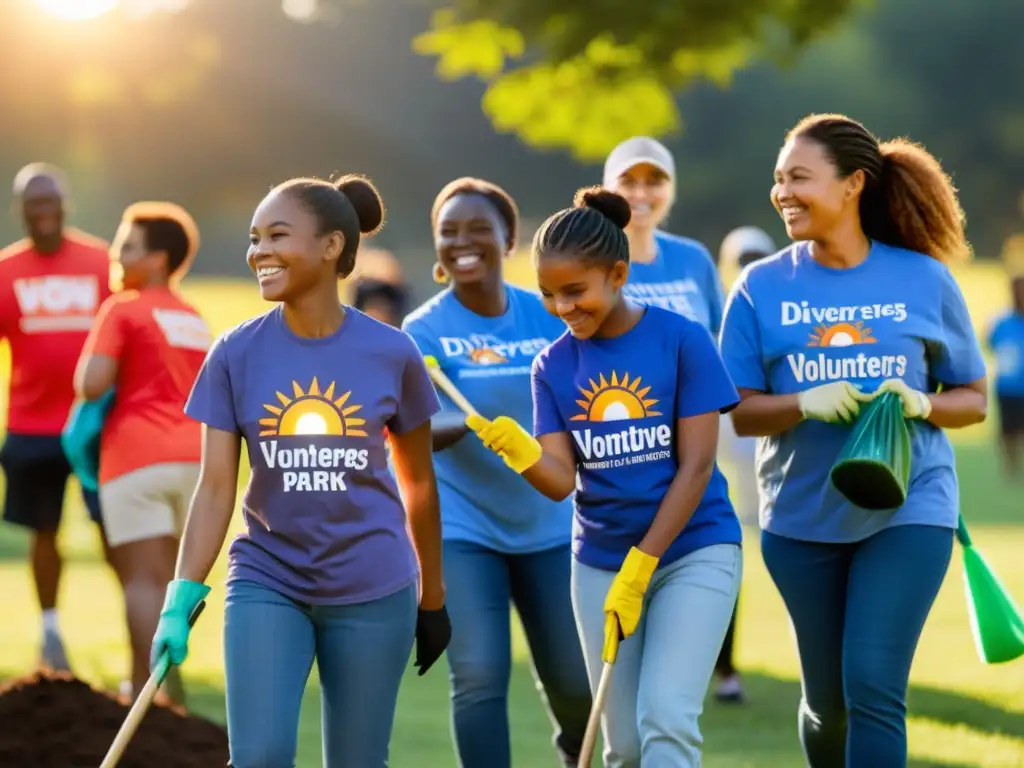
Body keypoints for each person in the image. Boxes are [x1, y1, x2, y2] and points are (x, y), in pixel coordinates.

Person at [149, 174, 451, 767]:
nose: (258, 251)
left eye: (276, 235)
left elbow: (418, 483)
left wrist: (433, 600)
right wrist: (180, 595)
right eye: (255, 237)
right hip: (269, 579)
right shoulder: (234, 352)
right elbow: (216, 488)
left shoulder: (394, 354)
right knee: (258, 757)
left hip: (374, 588)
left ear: (332, 246)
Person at [718, 113, 987, 767]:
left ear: (852, 185)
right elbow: (739, 412)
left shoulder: (924, 280)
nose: (783, 193)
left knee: (871, 687)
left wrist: (923, 402)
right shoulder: (760, 288)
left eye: (800, 179)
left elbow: (973, 397)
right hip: (801, 518)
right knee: (828, 704)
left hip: (908, 509)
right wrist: (802, 403)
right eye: (778, 180)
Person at [468, 186, 743, 767]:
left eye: (575, 291)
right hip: (599, 563)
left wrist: (643, 563)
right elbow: (561, 481)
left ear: (617, 274)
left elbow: (696, 467)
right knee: (624, 746)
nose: (563, 308)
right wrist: (519, 452)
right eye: (547, 295)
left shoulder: (681, 339)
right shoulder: (552, 366)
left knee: (666, 716)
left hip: (695, 550)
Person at [401, 177, 591, 768]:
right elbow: (402, 431)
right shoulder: (420, 332)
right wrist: (453, 424)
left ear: (509, 240)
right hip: (465, 529)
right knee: (479, 675)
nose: (463, 241)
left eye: (479, 228)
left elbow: (585, 401)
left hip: (551, 524)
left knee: (577, 686)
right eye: (448, 231)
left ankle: (579, 758)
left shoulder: (547, 316)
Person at [604, 136, 746, 704]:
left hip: (693, 447)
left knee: (709, 552)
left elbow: (715, 348)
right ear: (609, 187)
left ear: (670, 189)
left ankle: (721, 669)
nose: (641, 193)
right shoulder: (594, 254)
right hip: (620, 448)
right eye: (629, 182)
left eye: (654, 181)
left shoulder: (691, 258)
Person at [74, 202, 211, 706]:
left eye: (127, 246)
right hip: (195, 465)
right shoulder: (194, 317)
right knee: (173, 584)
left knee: (142, 580)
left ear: (157, 258)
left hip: (135, 459)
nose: (116, 254)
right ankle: (166, 690)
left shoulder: (123, 308)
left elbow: (91, 384)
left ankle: (139, 691)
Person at [0, 162, 113, 672]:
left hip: (94, 427)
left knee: (115, 529)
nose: (43, 212)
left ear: (64, 205)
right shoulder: (6, 271)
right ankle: (50, 632)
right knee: (44, 531)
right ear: (21, 209)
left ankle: (141, 632)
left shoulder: (98, 262)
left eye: (51, 202)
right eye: (33, 203)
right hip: (31, 425)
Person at [709, 225, 777, 702]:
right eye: (742, 257)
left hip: (771, 453)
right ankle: (725, 670)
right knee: (723, 560)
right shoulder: (716, 323)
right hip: (722, 451)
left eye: (758, 256)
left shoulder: (782, 318)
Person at [986, 271, 1024, 478]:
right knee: (1008, 430)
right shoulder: (1002, 323)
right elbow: (990, 343)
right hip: (1008, 387)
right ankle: (1012, 470)